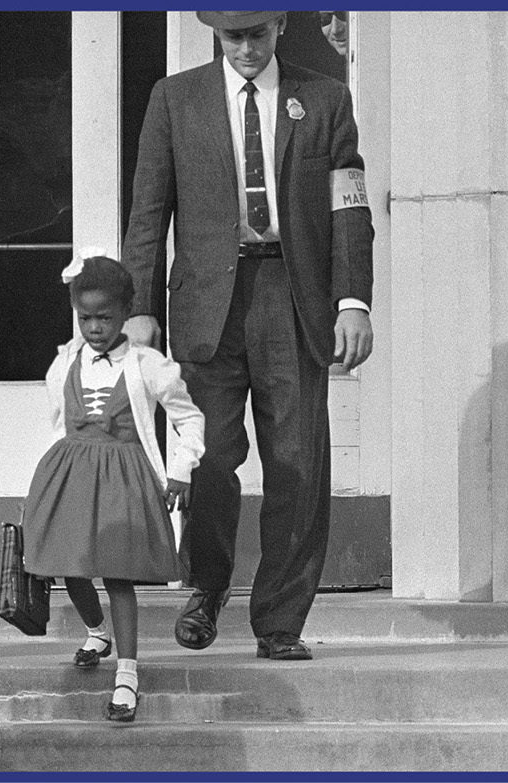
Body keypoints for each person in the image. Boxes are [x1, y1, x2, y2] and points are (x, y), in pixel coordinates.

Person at [121, 11, 374, 661]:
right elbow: (148, 212)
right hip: (209, 307)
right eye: (233, 38)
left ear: (280, 25)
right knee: (209, 457)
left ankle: (281, 619)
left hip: (294, 302)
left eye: (257, 34)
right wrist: (140, 307)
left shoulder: (325, 99)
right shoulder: (175, 100)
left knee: (297, 463)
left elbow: (350, 211)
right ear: (214, 34)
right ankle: (206, 586)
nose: (246, 49)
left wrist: (352, 302)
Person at [21, 253, 204, 722]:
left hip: (124, 478)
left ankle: (127, 674)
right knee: (69, 566)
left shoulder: (148, 365)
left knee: (118, 574)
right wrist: (45, 485)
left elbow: (188, 417)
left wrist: (182, 468)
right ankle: (96, 630)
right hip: (72, 474)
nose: (95, 328)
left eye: (105, 317)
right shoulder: (65, 363)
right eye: (86, 318)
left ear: (126, 314)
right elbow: (59, 422)